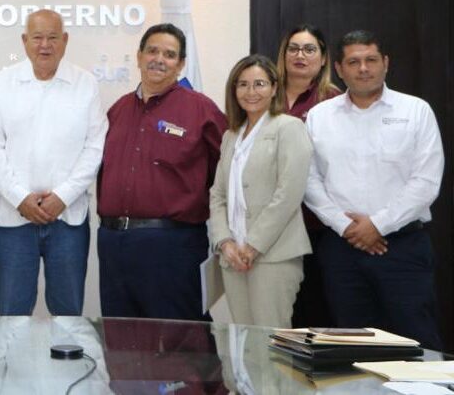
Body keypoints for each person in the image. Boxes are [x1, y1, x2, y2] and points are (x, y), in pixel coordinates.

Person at [305, 30, 444, 349]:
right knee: (352, 345)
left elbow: (425, 182)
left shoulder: (415, 111)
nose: (363, 68)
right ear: (339, 69)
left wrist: (377, 225)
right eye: (353, 62)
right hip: (342, 249)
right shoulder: (319, 117)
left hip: (403, 247)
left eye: (370, 60)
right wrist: (348, 227)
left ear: (385, 63)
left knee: (415, 340)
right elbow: (309, 181)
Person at [0, 9, 107, 316]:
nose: (45, 45)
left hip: (68, 219)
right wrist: (20, 198)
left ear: (65, 41)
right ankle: (12, 366)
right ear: (25, 41)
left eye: (52, 37)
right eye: (37, 37)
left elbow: (94, 148)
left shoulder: (85, 84)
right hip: (13, 220)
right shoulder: (4, 83)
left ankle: (68, 367)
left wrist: (62, 197)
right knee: (11, 312)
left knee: (67, 313)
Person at [96, 23, 226, 320]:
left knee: (181, 340)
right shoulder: (117, 110)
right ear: (139, 56)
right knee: (121, 337)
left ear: (181, 64)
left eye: (169, 55)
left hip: (172, 245)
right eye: (152, 51)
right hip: (114, 243)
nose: (159, 59)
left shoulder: (201, 110)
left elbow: (228, 171)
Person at [208, 54, 312, 328]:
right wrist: (224, 242)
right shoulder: (232, 135)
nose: (250, 92)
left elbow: (288, 194)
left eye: (259, 84)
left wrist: (253, 245)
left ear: (275, 87)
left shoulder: (289, 127)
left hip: (272, 256)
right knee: (245, 346)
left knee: (271, 347)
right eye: (242, 84)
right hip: (233, 257)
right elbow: (218, 195)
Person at [276, 24, 341, 328]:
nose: (300, 55)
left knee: (315, 313)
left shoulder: (334, 100)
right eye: (293, 48)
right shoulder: (265, 94)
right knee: (276, 317)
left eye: (309, 49)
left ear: (324, 58)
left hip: (317, 225)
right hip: (272, 226)